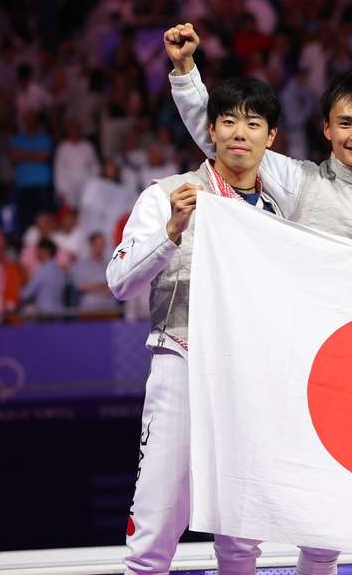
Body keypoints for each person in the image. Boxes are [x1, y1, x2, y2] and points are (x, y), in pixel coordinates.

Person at [166, 23, 352, 575]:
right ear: (326, 129)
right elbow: (225, 137)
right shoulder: (299, 181)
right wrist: (185, 74)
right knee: (281, 504)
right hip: (297, 365)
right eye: (345, 123)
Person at [107, 76, 283, 575]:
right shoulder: (167, 194)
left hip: (248, 377)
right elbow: (119, 281)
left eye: (253, 124)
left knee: (242, 541)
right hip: (181, 363)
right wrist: (169, 233)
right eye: (228, 121)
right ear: (211, 130)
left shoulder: (282, 210)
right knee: (153, 536)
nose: (239, 134)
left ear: (270, 138)